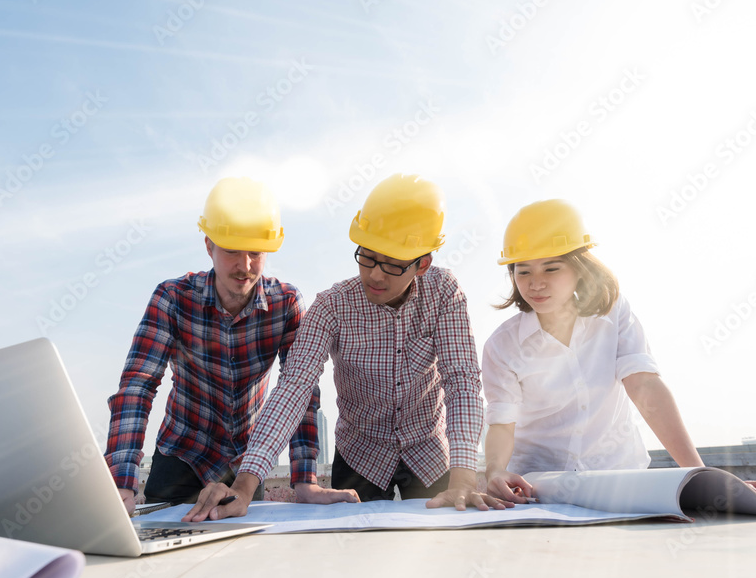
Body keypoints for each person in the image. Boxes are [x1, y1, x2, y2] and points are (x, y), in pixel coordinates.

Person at [183, 173, 512, 522]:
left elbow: (461, 380)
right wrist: (246, 484)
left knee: (438, 549)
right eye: (367, 258)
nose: (376, 275)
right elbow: (294, 387)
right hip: (360, 458)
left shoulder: (444, 292)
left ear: (422, 264)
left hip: (429, 455)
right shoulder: (332, 306)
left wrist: (463, 476)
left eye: (393, 264)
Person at [481, 199, 756, 503]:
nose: (536, 284)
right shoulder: (502, 345)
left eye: (551, 268)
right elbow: (502, 423)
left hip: (620, 479)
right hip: (541, 487)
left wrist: (705, 480)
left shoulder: (613, 314)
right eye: (523, 272)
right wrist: (494, 470)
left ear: (579, 269)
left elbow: (644, 386)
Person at [104, 177, 353, 514]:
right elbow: (137, 387)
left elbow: (300, 393)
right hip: (181, 454)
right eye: (232, 251)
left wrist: (304, 478)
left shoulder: (286, 303)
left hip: (245, 467)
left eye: (255, 252)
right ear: (209, 246)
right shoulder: (172, 298)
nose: (245, 265)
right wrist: (122, 481)